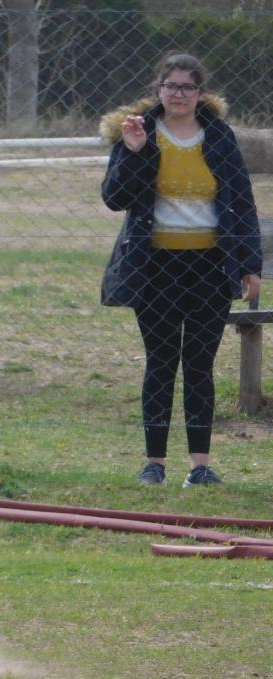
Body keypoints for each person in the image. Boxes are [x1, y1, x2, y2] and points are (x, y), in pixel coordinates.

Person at [101, 52, 262, 488]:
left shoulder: (220, 137)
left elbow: (241, 204)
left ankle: (200, 466)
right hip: (155, 265)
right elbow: (114, 197)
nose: (178, 94)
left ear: (200, 94)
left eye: (187, 87)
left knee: (199, 365)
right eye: (170, 86)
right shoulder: (136, 132)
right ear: (158, 90)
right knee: (161, 362)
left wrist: (249, 264)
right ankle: (154, 464)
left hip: (209, 267)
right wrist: (134, 153)